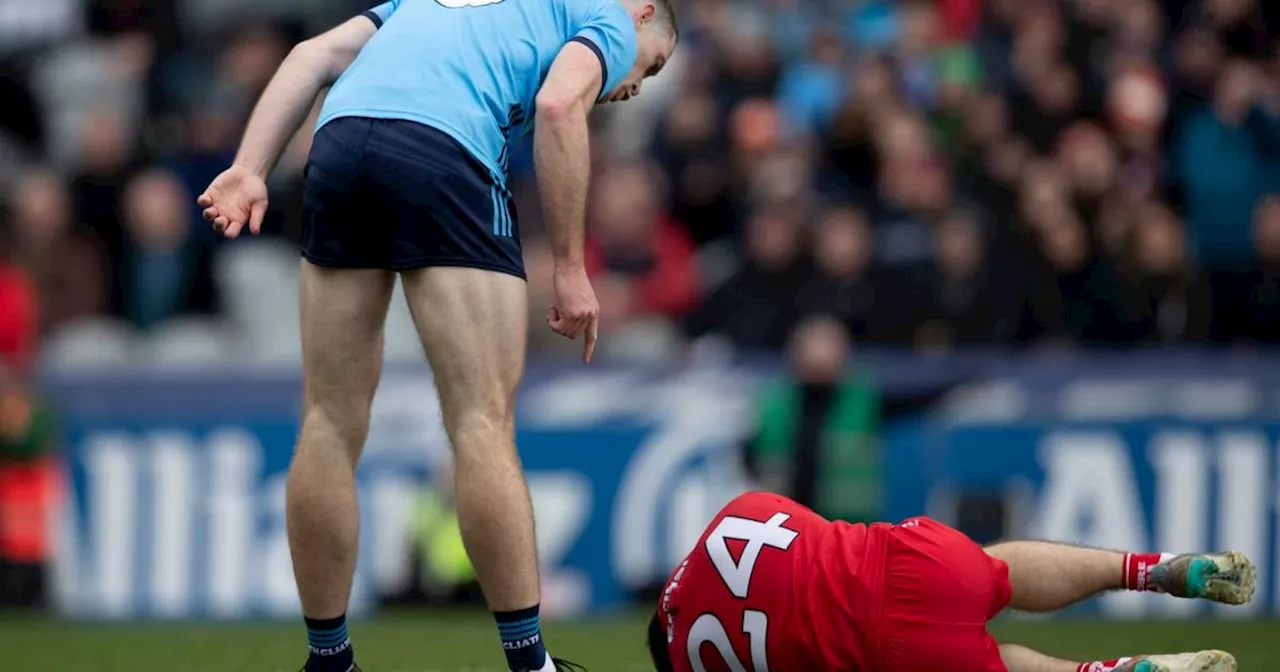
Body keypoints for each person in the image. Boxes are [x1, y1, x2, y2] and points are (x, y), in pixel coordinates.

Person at [195, 0, 678, 670]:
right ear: (643, 12)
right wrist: (570, 267)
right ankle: (530, 663)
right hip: (443, 148)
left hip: (338, 145)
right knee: (480, 420)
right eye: (650, 66)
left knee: (329, 418)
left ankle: (328, 660)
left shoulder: (423, 2)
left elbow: (310, 58)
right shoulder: (605, 15)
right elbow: (562, 105)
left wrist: (250, 168)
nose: (632, 86)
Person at [647, 491, 1256, 672]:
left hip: (897, 650)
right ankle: (1155, 568)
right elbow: (810, 527)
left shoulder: (696, 659)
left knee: (993, 663)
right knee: (999, 571)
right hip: (914, 554)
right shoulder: (736, 512)